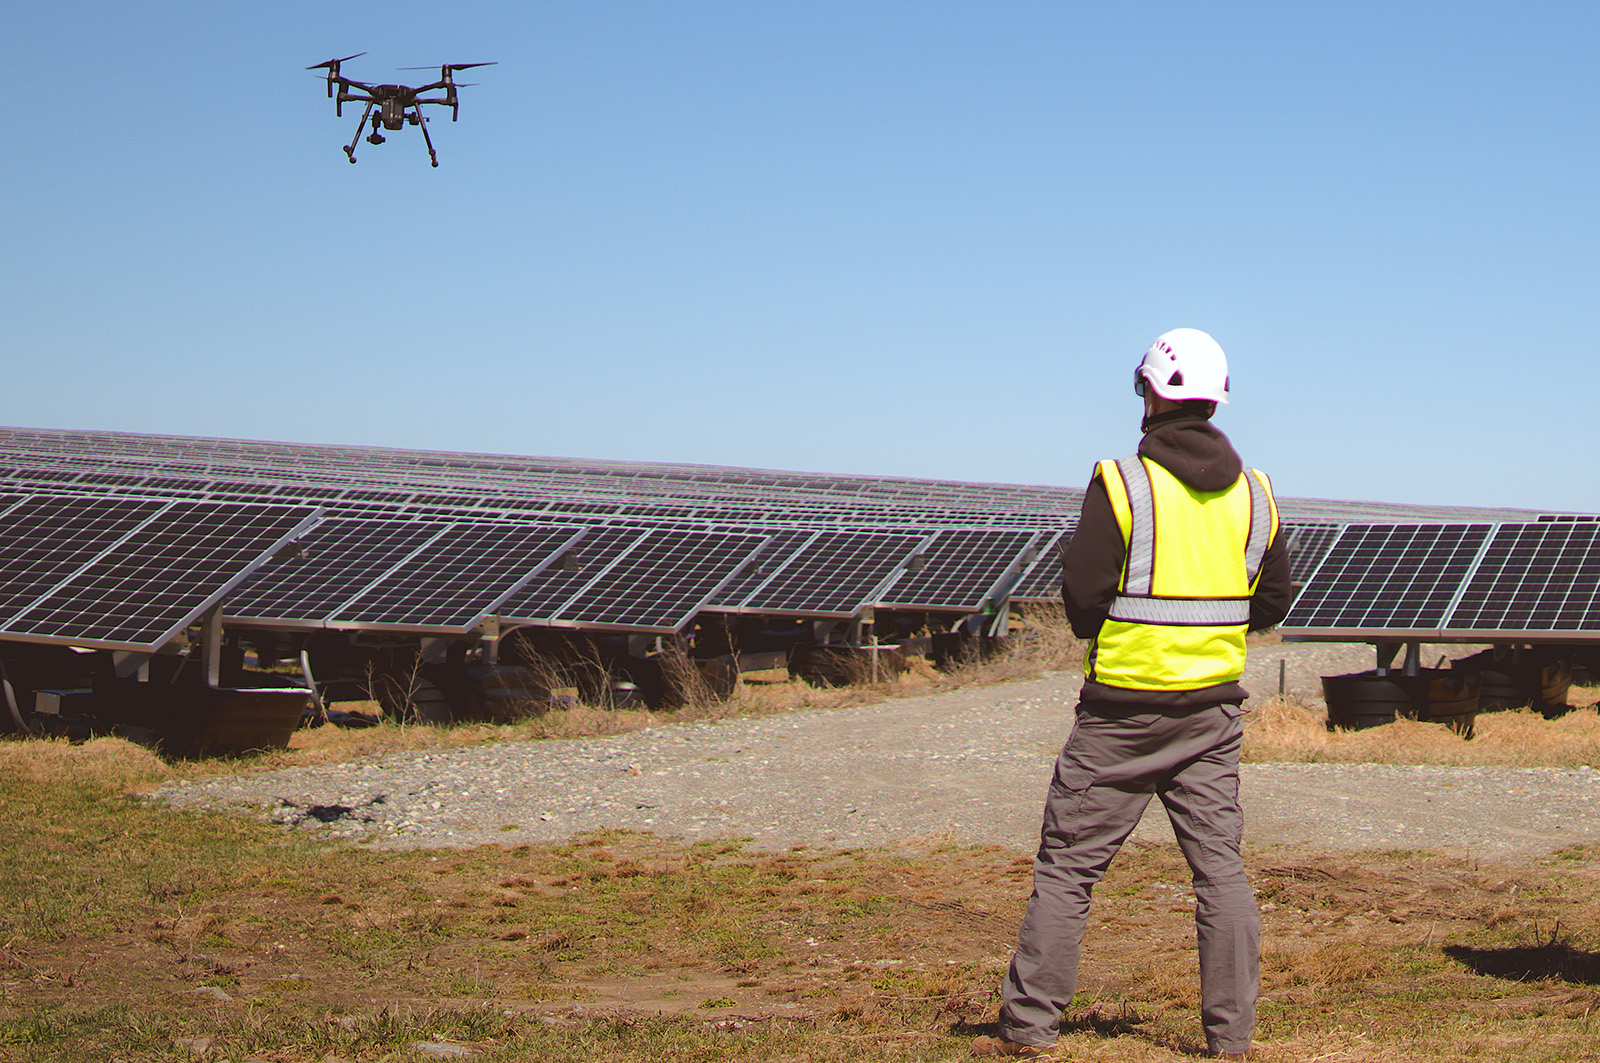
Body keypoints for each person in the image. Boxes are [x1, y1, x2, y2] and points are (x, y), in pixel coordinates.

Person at [973, 328, 1291, 1060]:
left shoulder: (1121, 485)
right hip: (1211, 714)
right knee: (1221, 872)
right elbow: (1269, 603)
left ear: (1148, 393)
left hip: (1118, 716)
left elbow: (1083, 602)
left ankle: (1029, 1028)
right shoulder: (1257, 495)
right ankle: (1231, 1039)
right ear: (1216, 399)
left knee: (1068, 869)